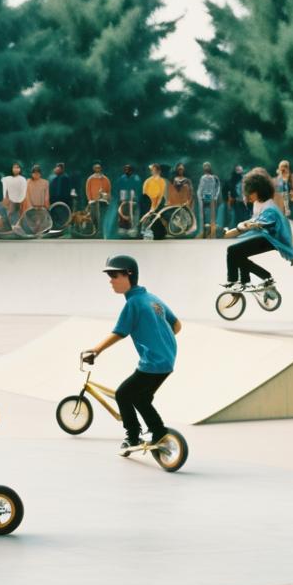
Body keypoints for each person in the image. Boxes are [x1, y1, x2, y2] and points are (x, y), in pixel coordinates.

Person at [83, 255, 181, 455]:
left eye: (114, 275)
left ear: (129, 275)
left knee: (123, 394)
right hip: (167, 360)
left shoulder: (133, 303)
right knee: (141, 398)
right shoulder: (152, 298)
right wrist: (160, 340)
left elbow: (119, 332)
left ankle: (135, 435)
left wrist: (95, 351)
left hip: (153, 362)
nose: (111, 280)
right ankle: (157, 433)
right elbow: (177, 325)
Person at [223, 167, 293, 287]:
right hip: (263, 236)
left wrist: (253, 225)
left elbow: (267, 222)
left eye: (251, 192)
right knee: (238, 253)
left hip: (269, 239)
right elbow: (254, 220)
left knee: (233, 250)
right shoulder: (257, 203)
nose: (248, 195)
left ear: (259, 190)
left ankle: (233, 281)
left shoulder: (270, 208)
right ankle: (247, 280)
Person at [274, 160, 293, 237]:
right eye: (282, 170)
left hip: (290, 204)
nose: (283, 172)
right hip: (281, 205)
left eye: (285, 169)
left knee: (290, 221)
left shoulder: (292, 178)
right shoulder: (277, 181)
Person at [141, 163, 168, 239]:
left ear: (158, 171)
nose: (152, 172)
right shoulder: (147, 181)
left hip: (158, 204)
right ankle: (146, 232)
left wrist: (155, 207)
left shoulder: (162, 181)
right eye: (151, 170)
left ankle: (158, 234)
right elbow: (144, 194)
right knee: (147, 218)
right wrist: (149, 207)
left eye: (153, 170)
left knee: (157, 218)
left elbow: (160, 196)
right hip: (148, 204)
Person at [85, 162, 112, 237]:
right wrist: (90, 200)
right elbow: (87, 190)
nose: (97, 169)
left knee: (102, 217)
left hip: (103, 202)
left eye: (99, 168)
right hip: (93, 201)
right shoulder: (90, 179)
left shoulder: (105, 179)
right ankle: (95, 231)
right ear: (94, 169)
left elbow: (109, 190)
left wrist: (106, 197)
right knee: (94, 217)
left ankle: (102, 233)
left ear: (101, 169)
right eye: (96, 168)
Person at [197, 162, 223, 237]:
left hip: (211, 198)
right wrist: (200, 197)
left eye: (207, 166)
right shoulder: (202, 177)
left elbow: (218, 188)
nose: (206, 168)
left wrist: (215, 197)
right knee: (204, 216)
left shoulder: (214, 177)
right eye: (205, 166)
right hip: (204, 198)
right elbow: (200, 188)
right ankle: (204, 233)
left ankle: (213, 234)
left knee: (212, 217)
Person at [0, 162, 27, 230]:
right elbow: (5, 190)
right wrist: (6, 199)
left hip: (19, 199)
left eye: (17, 167)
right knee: (8, 213)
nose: (16, 169)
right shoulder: (7, 179)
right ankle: (4, 227)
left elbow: (23, 190)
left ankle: (16, 228)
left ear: (20, 169)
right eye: (14, 167)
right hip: (9, 199)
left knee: (18, 213)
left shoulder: (22, 179)